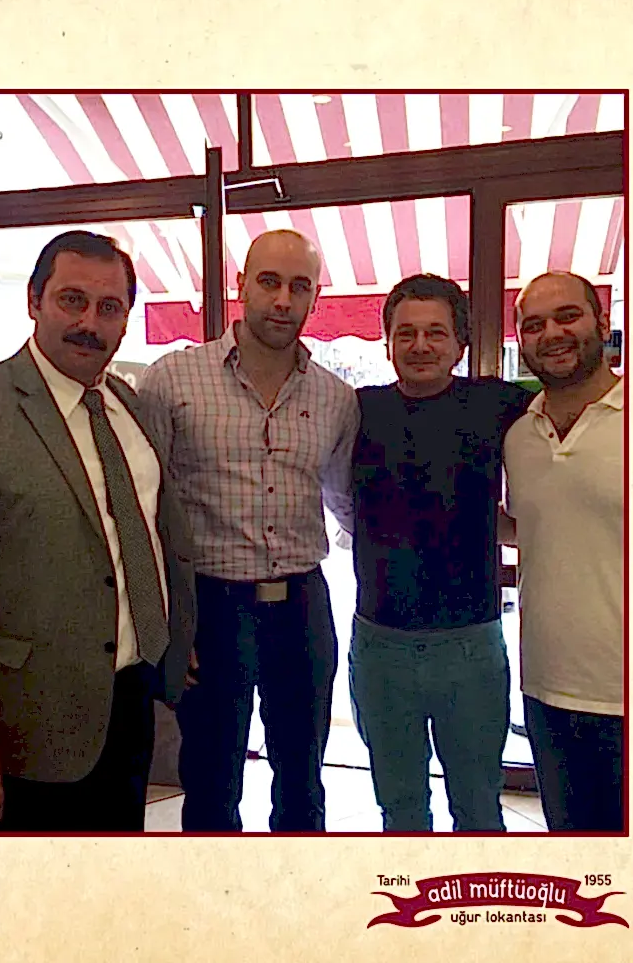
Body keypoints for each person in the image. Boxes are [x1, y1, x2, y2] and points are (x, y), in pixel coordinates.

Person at [0, 231, 196, 833]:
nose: (89, 323)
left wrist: (175, 636)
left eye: (109, 308)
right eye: (72, 300)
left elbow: (149, 536)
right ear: (34, 301)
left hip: (131, 698)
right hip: (26, 725)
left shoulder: (128, 406)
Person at [137, 229, 359, 832]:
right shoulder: (172, 381)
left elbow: (345, 502)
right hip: (211, 607)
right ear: (241, 285)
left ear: (315, 297)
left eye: (299, 286)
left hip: (302, 606)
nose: (283, 300)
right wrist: (166, 622)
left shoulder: (336, 398)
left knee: (303, 779)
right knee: (211, 780)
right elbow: (144, 508)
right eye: (269, 282)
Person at [348, 274, 533, 832]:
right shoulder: (358, 410)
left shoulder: (500, 404)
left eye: (435, 332)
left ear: (460, 344)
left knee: (478, 808)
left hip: (470, 646)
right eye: (406, 333)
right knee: (399, 809)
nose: (420, 345)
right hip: (380, 646)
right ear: (387, 344)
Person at [502, 271, 624, 832]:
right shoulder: (519, 436)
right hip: (546, 689)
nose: (551, 333)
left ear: (601, 321)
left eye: (567, 316)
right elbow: (533, 526)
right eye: (534, 324)